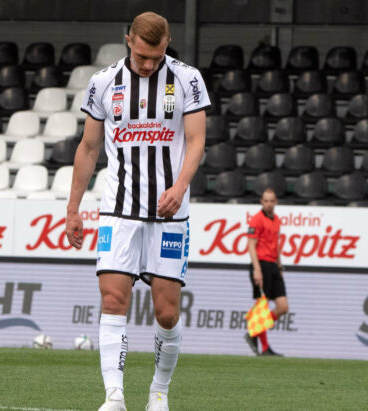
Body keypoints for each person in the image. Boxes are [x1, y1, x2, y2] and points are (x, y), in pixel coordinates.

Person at [65, 11, 210, 411]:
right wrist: (73, 208)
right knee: (113, 299)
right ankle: (114, 396)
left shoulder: (187, 79)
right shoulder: (102, 83)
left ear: (167, 45)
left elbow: (197, 140)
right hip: (118, 208)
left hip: (169, 213)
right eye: (143, 55)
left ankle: (159, 392)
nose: (149, 64)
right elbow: (88, 148)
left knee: (166, 312)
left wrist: (180, 187)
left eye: (157, 55)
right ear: (128, 39)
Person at [244, 188, 287, 357]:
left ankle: (253, 328)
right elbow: (251, 246)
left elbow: (276, 246)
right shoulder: (256, 220)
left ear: (275, 202)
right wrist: (257, 270)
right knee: (263, 306)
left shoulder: (277, 220)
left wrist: (280, 266)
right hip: (261, 265)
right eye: (266, 201)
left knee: (283, 306)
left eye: (272, 201)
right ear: (262, 202)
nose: (269, 204)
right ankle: (265, 347)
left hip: (273, 265)